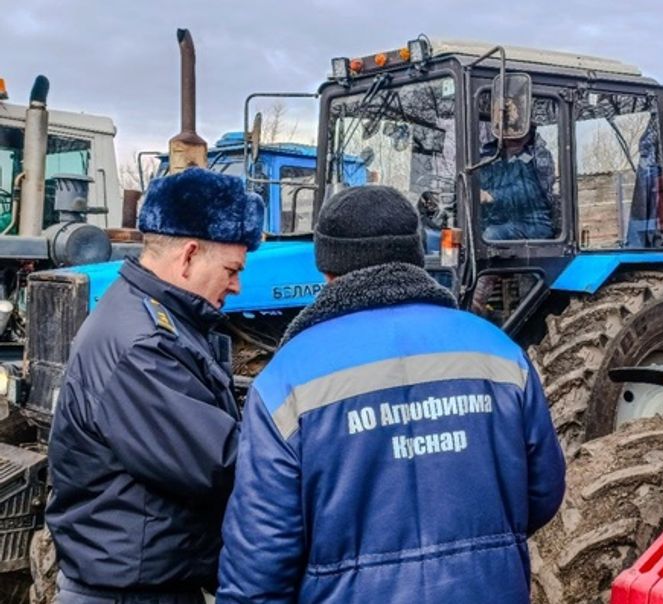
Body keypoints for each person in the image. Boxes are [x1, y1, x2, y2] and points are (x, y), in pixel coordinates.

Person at [217, 185, 566, 603]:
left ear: (327, 269)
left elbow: (261, 557)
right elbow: (543, 491)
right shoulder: (499, 352)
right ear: (416, 254)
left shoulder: (286, 380)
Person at [45, 167, 265, 604]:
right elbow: (221, 464)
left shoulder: (152, 319)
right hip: (130, 593)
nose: (237, 285)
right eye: (232, 269)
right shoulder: (143, 346)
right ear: (187, 256)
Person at [479, 124, 558, 240]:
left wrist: (490, 195)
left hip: (532, 223)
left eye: (518, 132)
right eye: (509, 132)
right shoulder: (490, 155)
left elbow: (529, 190)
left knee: (490, 235)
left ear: (528, 132)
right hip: (500, 221)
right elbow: (478, 180)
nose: (514, 139)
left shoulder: (538, 155)